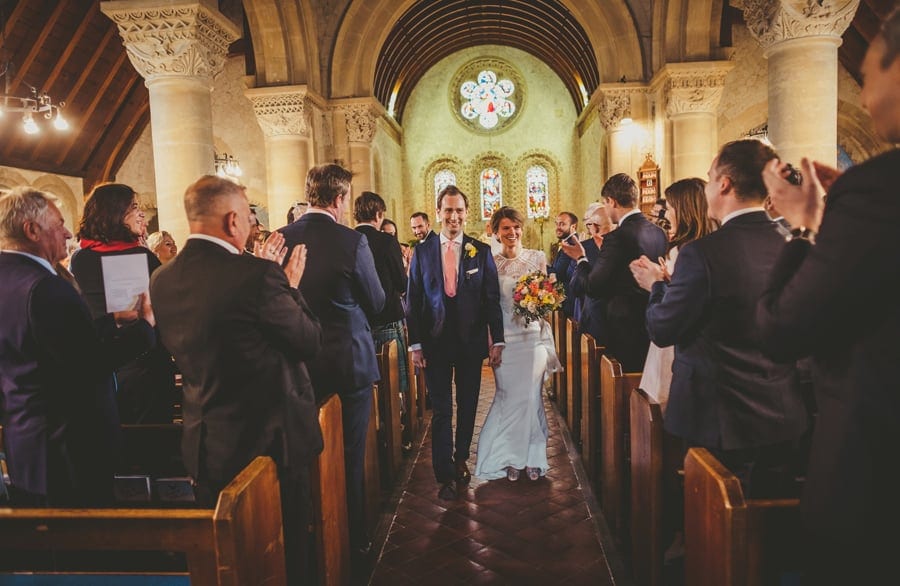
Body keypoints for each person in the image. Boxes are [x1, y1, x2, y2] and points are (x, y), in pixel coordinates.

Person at [756, 9, 900, 583]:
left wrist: (805, 224)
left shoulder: (877, 189)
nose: (863, 97)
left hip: (875, 477)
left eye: (867, 76)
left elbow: (782, 328)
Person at [149, 175, 322, 584]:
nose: (251, 224)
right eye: (248, 215)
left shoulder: (162, 279)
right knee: (285, 553)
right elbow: (308, 340)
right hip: (269, 447)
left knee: (231, 561)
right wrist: (292, 287)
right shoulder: (257, 276)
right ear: (232, 221)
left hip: (208, 443)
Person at [630, 139, 809, 501]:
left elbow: (663, 329)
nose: (708, 186)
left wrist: (656, 286)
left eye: (710, 178)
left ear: (724, 184)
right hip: (783, 413)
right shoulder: (792, 244)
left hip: (719, 418)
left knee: (713, 531)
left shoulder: (702, 254)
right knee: (769, 526)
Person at [0, 187, 155, 507]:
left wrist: (111, 321)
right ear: (32, 230)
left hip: (27, 437)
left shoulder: (9, 278)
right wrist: (144, 329)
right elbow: (88, 365)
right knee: (86, 545)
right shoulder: (45, 288)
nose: (69, 233)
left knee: (50, 545)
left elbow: (48, 343)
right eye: (58, 224)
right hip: (69, 443)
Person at [278, 164, 385, 563]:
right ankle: (355, 539)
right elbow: (375, 303)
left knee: (305, 456)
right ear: (340, 199)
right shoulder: (351, 241)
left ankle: (309, 541)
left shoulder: (280, 238)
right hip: (348, 364)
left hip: (299, 365)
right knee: (349, 455)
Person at [406, 185, 504, 501]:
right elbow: (414, 300)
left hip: (470, 341)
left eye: (459, 210)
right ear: (439, 213)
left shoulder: (480, 250)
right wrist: (415, 344)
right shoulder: (422, 252)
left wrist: (497, 339)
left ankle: (460, 457)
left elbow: (491, 299)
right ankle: (444, 474)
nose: (454, 216)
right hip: (435, 341)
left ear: (466, 212)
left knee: (468, 404)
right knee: (442, 409)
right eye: (448, 210)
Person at [70, 183, 177, 424]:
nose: (141, 214)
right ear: (115, 212)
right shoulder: (141, 256)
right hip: (144, 358)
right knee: (151, 439)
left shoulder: (82, 257)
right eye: (134, 207)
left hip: (107, 359)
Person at [475, 207, 560, 482]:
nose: (512, 233)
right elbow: (488, 305)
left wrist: (539, 302)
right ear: (496, 232)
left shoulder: (536, 258)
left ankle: (534, 457)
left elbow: (547, 297)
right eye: (506, 228)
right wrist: (492, 341)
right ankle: (510, 456)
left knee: (531, 398)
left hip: (532, 337)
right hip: (505, 341)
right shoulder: (491, 262)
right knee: (510, 398)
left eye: (516, 227)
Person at [561, 174, 668, 372]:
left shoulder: (617, 237)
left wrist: (581, 259)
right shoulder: (658, 233)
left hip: (622, 328)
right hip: (652, 320)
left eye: (605, 202)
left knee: (620, 391)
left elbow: (593, 287)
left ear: (612, 201)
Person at [633, 177, 716, 413]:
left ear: (683, 209)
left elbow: (673, 313)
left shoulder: (687, 251)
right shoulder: (707, 246)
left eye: (669, 208)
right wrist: (668, 279)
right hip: (689, 340)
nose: (666, 216)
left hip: (678, 343)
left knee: (665, 406)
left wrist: (655, 283)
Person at [354, 191, 410, 424]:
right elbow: (400, 282)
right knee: (394, 381)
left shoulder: (348, 239)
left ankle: (375, 430)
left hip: (360, 323)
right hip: (387, 318)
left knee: (370, 386)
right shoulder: (387, 241)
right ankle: (397, 428)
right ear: (379, 214)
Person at [569, 202, 614, 334]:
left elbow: (576, 287)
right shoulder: (625, 243)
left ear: (593, 226)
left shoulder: (584, 248)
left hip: (595, 321)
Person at [548, 211, 578, 318]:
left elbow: (559, 273)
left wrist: (541, 263)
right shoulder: (567, 241)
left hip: (568, 299)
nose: (558, 227)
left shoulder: (572, 243)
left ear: (573, 226)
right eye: (557, 224)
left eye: (562, 224)